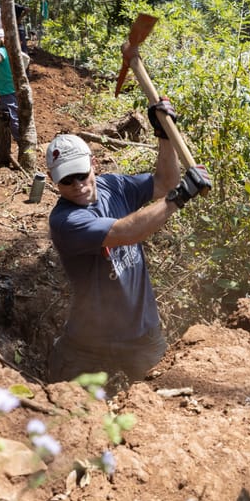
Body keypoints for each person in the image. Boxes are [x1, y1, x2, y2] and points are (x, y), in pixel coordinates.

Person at [45, 93, 210, 386]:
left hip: (141, 334)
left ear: (93, 163)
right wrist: (180, 197)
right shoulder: (65, 222)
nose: (77, 185)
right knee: (64, 414)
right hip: (88, 344)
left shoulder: (114, 186)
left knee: (165, 405)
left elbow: (164, 182)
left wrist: (165, 136)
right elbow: (127, 232)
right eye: (66, 180)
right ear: (52, 180)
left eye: (81, 175)